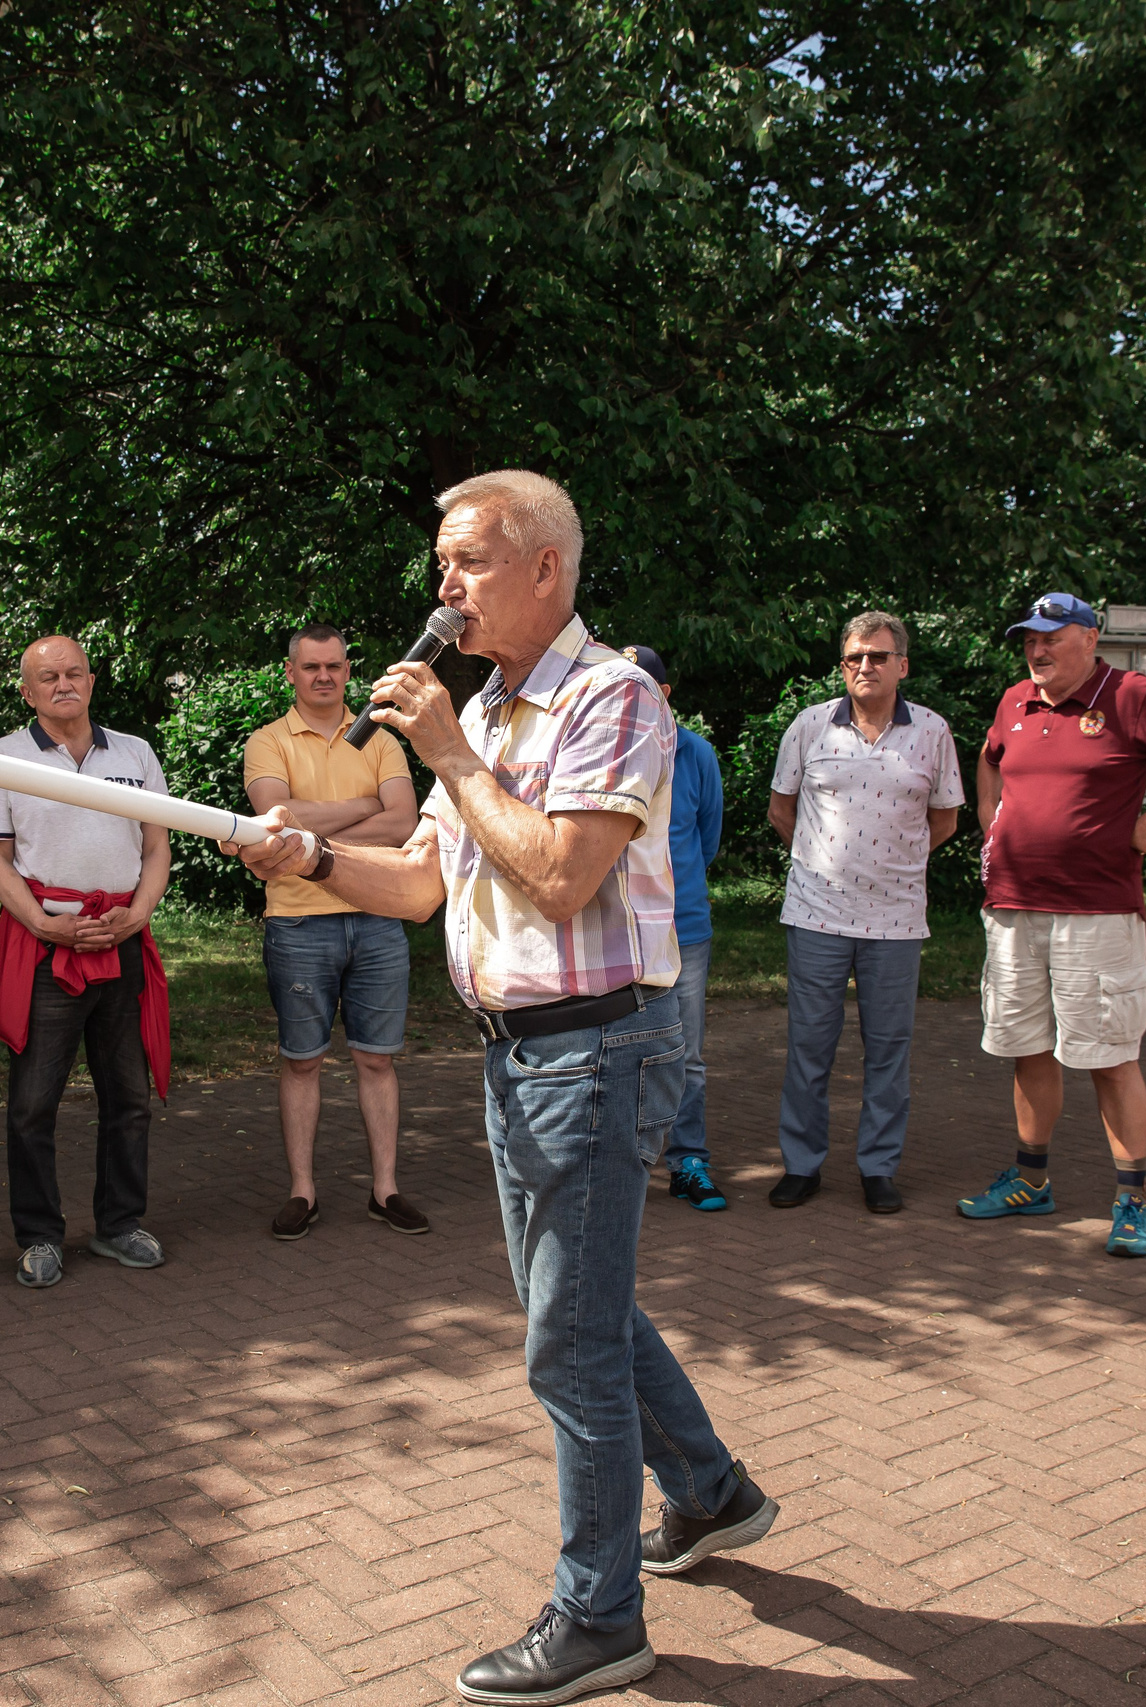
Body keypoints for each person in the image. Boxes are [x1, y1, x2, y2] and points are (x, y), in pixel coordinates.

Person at [226, 471, 775, 1706]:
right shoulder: (485, 711)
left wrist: (443, 750)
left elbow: (563, 876)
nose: (445, 585)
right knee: (575, 1309)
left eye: (468, 560)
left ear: (544, 569)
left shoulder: (610, 698)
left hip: (596, 1049)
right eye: (442, 563)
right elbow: (423, 882)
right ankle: (709, 1491)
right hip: (521, 1052)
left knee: (566, 1345)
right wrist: (311, 856)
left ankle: (600, 1618)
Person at [957, 593, 1146, 1257]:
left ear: (1089, 638)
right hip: (1013, 906)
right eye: (1030, 639)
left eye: (1051, 638)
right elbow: (990, 757)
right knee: (1027, 1047)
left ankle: (1132, 1201)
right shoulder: (1015, 701)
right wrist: (992, 820)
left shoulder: (1131, 695)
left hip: (1097, 912)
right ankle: (1031, 1180)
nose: (1037, 650)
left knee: (1109, 1057)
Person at [0, 636, 173, 1290]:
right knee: (33, 1102)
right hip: (47, 946)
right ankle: (38, 1235)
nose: (63, 684)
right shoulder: (3, 756)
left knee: (129, 1096)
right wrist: (43, 924)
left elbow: (156, 846)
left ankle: (119, 1223)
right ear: (27, 691)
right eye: (47, 677)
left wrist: (138, 913)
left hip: (122, 937)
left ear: (90, 681)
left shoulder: (135, 753)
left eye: (73, 673)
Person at [763, 612, 964, 1214]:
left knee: (888, 1050)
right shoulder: (810, 726)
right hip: (816, 915)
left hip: (897, 921)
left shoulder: (932, 731)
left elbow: (945, 819)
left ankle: (879, 1169)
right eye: (854, 657)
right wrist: (822, 864)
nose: (865, 666)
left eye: (877, 656)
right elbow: (780, 810)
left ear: (902, 665)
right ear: (843, 665)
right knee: (808, 1048)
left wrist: (893, 866)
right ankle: (802, 1166)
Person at [243, 623, 426, 1241]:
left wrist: (311, 833)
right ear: (290, 672)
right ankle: (303, 1192)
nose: (324, 676)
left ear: (348, 671)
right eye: (311, 666)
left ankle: (385, 1190)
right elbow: (275, 820)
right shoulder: (267, 741)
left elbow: (404, 825)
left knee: (376, 1059)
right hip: (298, 921)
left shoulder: (383, 738)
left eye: (334, 666)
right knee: (302, 1063)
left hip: (379, 914)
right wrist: (367, 807)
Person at [621, 645, 727, 1214]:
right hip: (617, 930)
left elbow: (705, 841)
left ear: (664, 694)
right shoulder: (601, 746)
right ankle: (621, 1163)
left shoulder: (697, 753)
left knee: (685, 1053)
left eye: (643, 686)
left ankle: (688, 1161)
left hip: (683, 928)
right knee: (617, 1051)